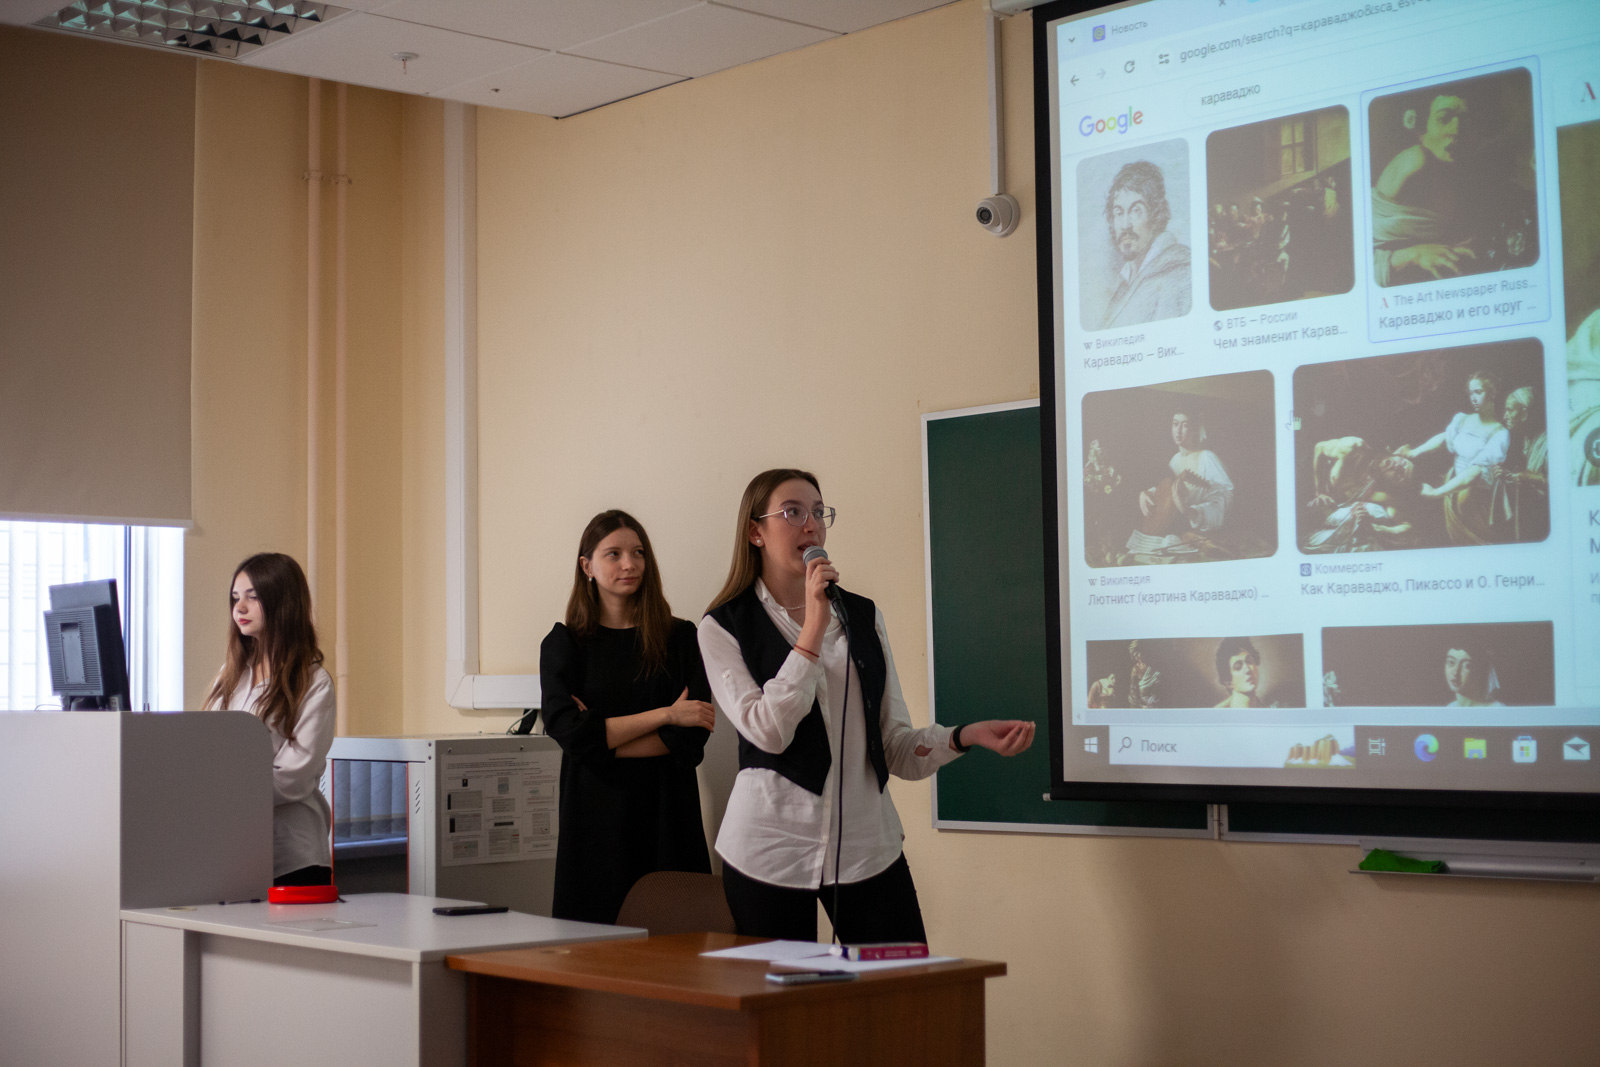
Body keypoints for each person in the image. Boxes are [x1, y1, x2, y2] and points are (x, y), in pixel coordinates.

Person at [699, 469, 1034, 943]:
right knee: (783, 993)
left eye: (819, 512)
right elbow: (768, 732)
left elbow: (893, 747)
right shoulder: (722, 627)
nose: (810, 524)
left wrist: (964, 736)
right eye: (793, 512)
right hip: (770, 850)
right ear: (756, 532)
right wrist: (812, 630)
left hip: (866, 847)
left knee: (903, 982)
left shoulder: (862, 615)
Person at [538, 510, 715, 925]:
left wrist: (601, 739)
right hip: (595, 821)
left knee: (678, 942)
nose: (629, 564)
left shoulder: (682, 638)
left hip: (667, 815)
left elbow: (691, 738)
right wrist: (667, 715)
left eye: (638, 553)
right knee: (594, 946)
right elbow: (568, 732)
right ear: (587, 566)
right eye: (614, 554)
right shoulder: (565, 645)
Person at [202, 553, 336, 887]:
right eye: (235, 598)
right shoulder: (231, 674)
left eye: (252, 597)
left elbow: (294, 776)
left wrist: (224, 796)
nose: (239, 608)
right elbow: (206, 745)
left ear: (283, 603)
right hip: (233, 849)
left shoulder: (313, 681)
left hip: (292, 855)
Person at [1371, 85, 1536, 285]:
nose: (1456, 130)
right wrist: (1414, 254)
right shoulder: (1415, 161)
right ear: (1421, 129)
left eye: (1467, 121)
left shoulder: (1468, 175)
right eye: (1444, 119)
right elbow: (1361, 255)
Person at [1399, 371, 1508, 545]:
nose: (1473, 398)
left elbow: (1476, 472)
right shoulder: (1462, 419)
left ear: (1492, 393)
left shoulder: (1500, 433)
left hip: (1476, 498)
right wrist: (1414, 452)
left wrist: (1436, 493)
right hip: (1452, 488)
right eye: (1470, 393)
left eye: (1478, 392)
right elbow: (1445, 438)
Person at [1125, 411, 1233, 560]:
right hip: (1175, 533)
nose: (1178, 430)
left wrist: (1188, 510)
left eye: (1185, 425)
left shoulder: (1207, 458)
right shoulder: (1175, 460)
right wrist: (1145, 494)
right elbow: (1166, 489)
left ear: (1195, 429)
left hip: (1200, 536)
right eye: (1175, 424)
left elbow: (1222, 500)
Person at [1099, 160, 1192, 329]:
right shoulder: (1123, 283)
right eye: (1118, 213)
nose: (1125, 225)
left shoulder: (1181, 272)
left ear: (1155, 214)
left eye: (1136, 210)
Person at [1444, 641, 1504, 707]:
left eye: (1467, 666)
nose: (1456, 672)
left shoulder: (1496, 708)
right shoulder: (1450, 707)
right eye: (1451, 662)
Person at [1213, 637, 1265, 709]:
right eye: (1238, 667)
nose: (1247, 669)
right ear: (1229, 683)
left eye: (1249, 661)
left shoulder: (1265, 705)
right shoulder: (1219, 713)